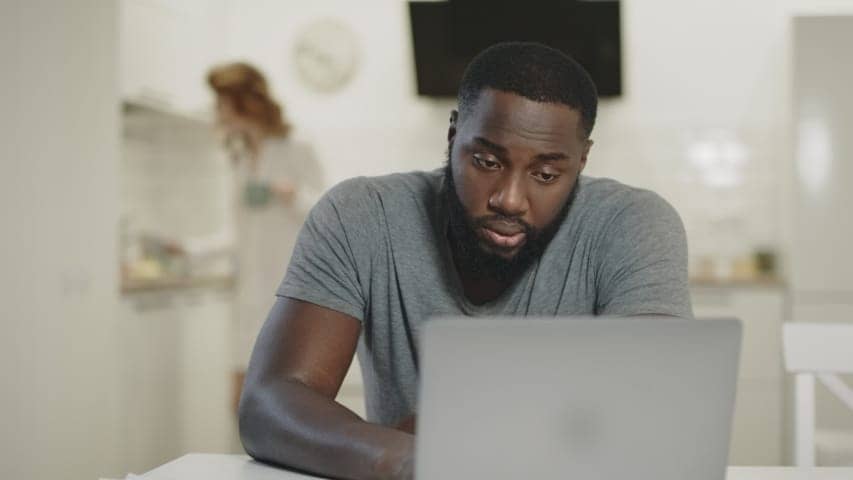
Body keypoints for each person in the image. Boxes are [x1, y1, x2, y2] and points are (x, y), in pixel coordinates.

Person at [238, 42, 692, 479]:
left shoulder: (634, 224)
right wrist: (411, 462)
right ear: (453, 134)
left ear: (582, 160)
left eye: (546, 174)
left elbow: (653, 411)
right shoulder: (360, 215)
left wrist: (451, 437)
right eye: (487, 161)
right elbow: (270, 403)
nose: (510, 199)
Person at [184, 62, 324, 385]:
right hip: (248, 295)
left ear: (243, 102)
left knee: (280, 402)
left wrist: (293, 196)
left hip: (288, 296)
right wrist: (189, 250)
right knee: (240, 400)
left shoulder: (296, 145)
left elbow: (327, 215)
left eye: (221, 103)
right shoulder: (241, 158)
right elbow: (239, 233)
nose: (216, 111)